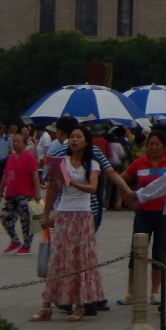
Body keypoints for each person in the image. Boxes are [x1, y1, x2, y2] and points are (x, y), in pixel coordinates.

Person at [36, 127, 105, 322]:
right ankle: (46, 305)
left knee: (80, 260)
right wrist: (46, 213)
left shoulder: (92, 164)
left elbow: (92, 188)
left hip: (83, 215)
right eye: (72, 137)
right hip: (64, 214)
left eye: (78, 137)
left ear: (86, 141)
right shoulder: (62, 162)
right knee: (58, 258)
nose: (74, 140)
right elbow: (54, 188)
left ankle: (80, 304)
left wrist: (73, 184)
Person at [121, 131, 166, 305]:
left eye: (157, 144)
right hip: (143, 214)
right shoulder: (139, 163)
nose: (154, 147)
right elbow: (122, 179)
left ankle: (155, 292)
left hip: (165, 213)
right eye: (151, 144)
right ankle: (131, 292)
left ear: (164, 146)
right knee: (136, 252)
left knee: (159, 253)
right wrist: (129, 201)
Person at [2, 130, 39, 255]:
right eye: (14, 141)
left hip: (25, 194)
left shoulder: (29, 157)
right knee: (5, 218)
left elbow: (35, 175)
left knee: (25, 220)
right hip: (11, 194)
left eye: (18, 141)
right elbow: (6, 175)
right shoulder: (11, 158)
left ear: (24, 143)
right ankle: (15, 240)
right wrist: (1, 189)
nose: (15, 144)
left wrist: (37, 192)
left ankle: (27, 245)